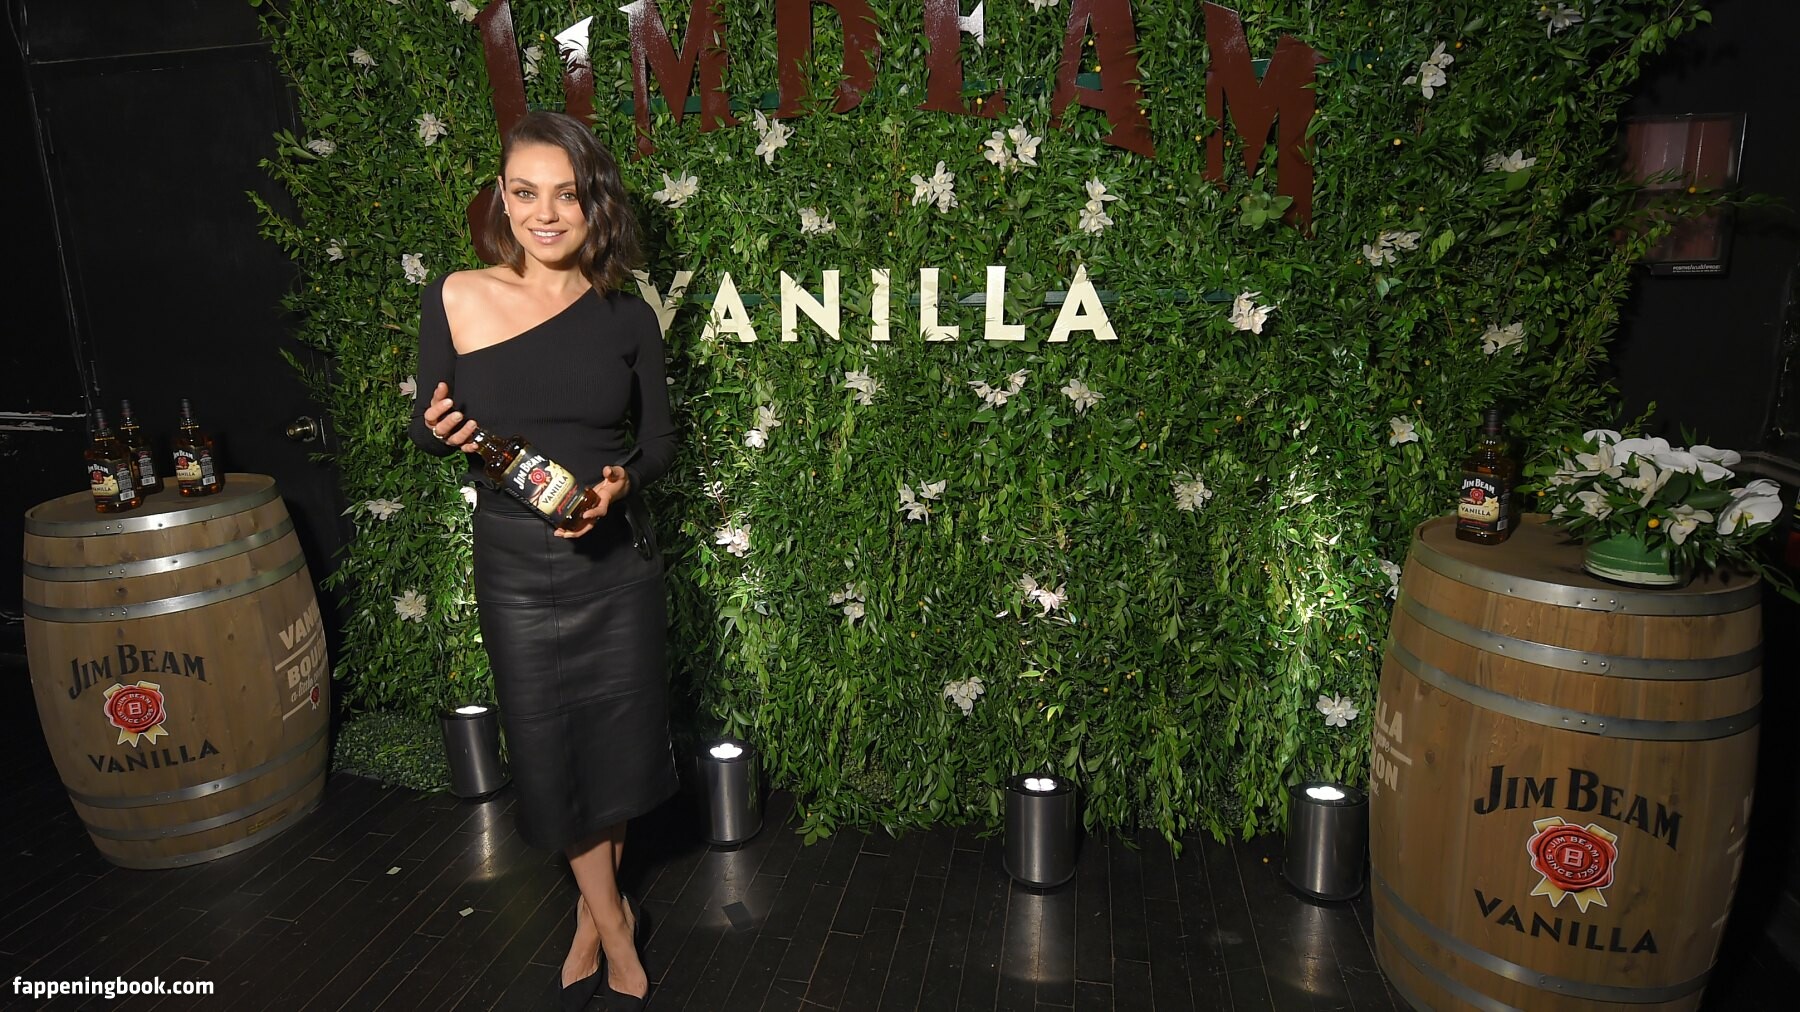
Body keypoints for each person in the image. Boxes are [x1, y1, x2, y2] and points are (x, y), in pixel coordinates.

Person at [409, 110, 676, 1011]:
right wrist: (437, 430)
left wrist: (620, 487)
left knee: (615, 746)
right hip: (516, 565)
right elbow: (430, 427)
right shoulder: (457, 296)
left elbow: (659, 444)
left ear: (593, 203)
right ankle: (614, 921)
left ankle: (593, 920)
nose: (545, 214)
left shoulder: (628, 315)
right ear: (502, 198)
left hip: (613, 561)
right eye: (526, 193)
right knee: (552, 747)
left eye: (566, 194)